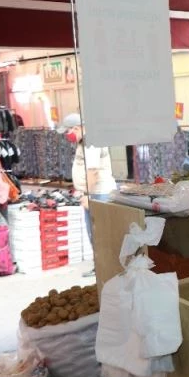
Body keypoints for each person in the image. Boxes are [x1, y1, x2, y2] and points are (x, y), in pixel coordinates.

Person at [61, 113, 117, 277]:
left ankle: (106, 268)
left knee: (99, 233)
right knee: (96, 233)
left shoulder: (90, 142)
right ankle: (101, 267)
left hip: (98, 194)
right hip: (95, 194)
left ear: (77, 128)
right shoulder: (84, 141)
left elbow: (92, 172)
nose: (68, 136)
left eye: (68, 132)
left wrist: (87, 195)